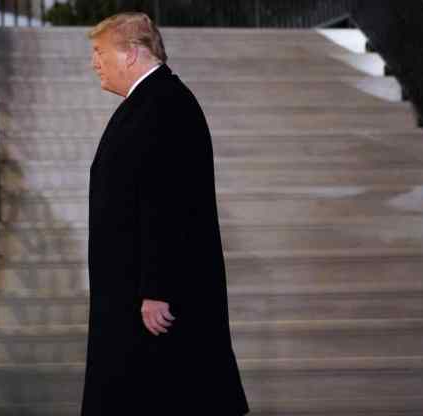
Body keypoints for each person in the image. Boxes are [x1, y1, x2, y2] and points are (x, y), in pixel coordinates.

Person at [80, 12, 250, 416]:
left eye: (100, 51)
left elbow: (168, 201)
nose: (94, 62)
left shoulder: (164, 104)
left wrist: (156, 287)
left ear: (132, 54)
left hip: (151, 300)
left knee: (167, 395)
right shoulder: (149, 101)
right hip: (133, 290)